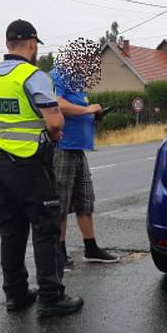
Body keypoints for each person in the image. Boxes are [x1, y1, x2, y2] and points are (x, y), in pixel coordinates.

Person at [0, 19, 84, 318]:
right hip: (30, 164)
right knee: (46, 229)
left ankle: (15, 294)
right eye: (35, 45)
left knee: (11, 232)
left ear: (7, 44)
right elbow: (54, 120)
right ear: (31, 44)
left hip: (0, 163)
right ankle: (51, 297)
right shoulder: (34, 76)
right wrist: (55, 133)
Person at [50, 64, 120, 266]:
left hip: (78, 149)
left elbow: (79, 110)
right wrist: (86, 110)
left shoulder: (79, 82)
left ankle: (91, 248)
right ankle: (59, 253)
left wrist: (94, 115)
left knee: (85, 201)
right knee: (61, 203)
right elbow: (57, 104)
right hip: (62, 147)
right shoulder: (57, 76)